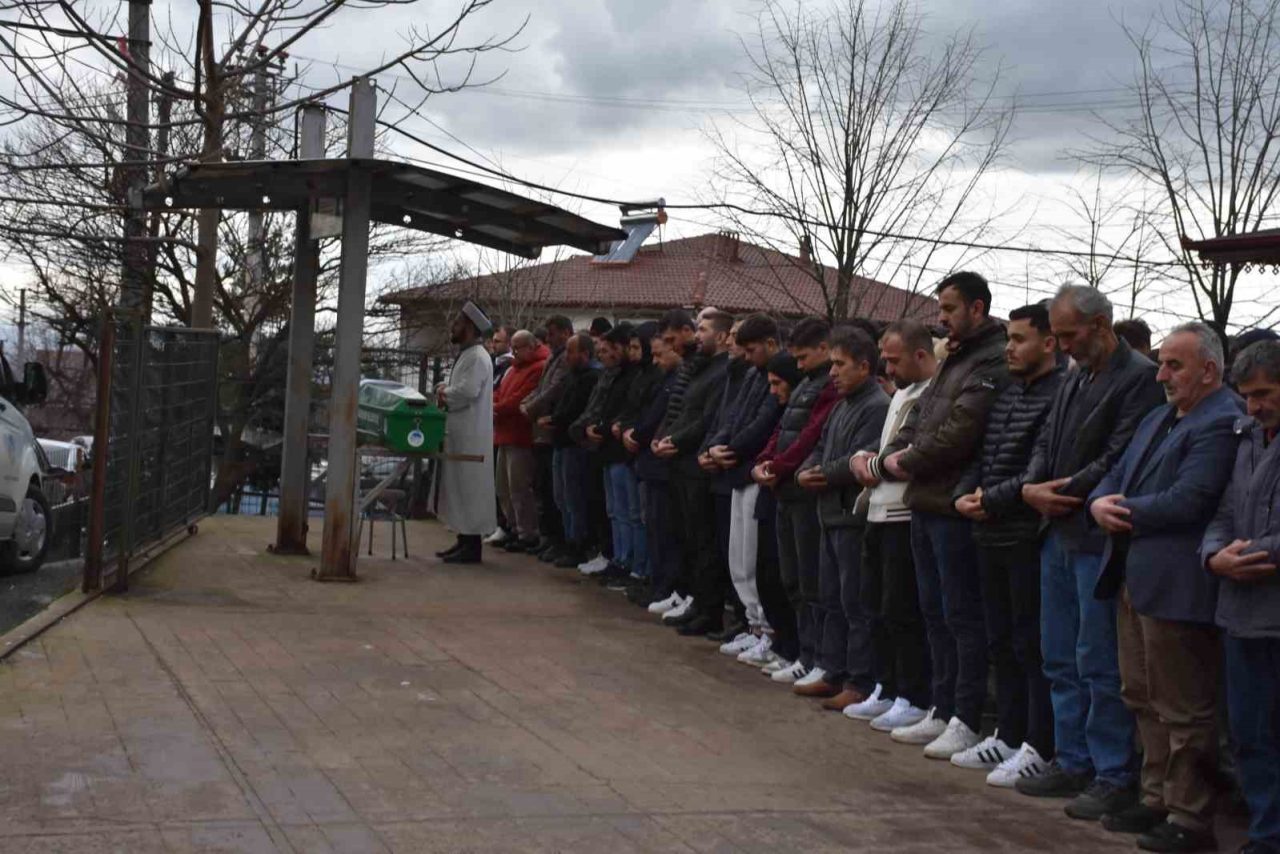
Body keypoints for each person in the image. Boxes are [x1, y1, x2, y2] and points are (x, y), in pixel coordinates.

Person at [1087, 321, 1241, 851]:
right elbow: (1117, 472)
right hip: (1134, 576)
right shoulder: (1159, 417)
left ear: (1210, 370)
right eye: (1161, 362)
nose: (1161, 375)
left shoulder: (1223, 421)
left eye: (1175, 365)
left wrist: (1120, 510)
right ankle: (1155, 797)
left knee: (1183, 707)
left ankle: (1189, 815)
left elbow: (1191, 499)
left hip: (1179, 587)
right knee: (1140, 695)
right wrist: (1098, 501)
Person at [1016, 285, 1164, 822]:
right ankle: (1072, 757)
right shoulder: (1076, 376)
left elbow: (1119, 455)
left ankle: (1111, 772)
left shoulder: (1140, 379)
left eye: (1069, 335)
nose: (1063, 346)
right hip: (1057, 532)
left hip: (1096, 538)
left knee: (1098, 660)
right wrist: (1033, 487)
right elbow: (1046, 441)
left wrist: (1062, 492)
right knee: (1059, 656)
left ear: (1101, 326)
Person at [861, 271, 1010, 760]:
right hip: (925, 500)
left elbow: (960, 431)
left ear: (977, 308)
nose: (941, 318)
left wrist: (904, 461)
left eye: (949, 309)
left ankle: (965, 716)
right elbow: (921, 420)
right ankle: (941, 708)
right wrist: (891, 456)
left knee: (961, 617)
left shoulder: (990, 360)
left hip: (952, 504)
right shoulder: (955, 358)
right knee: (934, 614)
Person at [951, 302, 1066, 786]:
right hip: (988, 530)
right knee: (1000, 640)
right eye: (1009, 339)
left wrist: (990, 499)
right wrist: (964, 495)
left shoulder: (1059, 394)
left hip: (1023, 534)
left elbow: (1039, 467)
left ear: (1049, 342)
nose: (1010, 349)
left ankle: (1038, 743)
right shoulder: (1009, 392)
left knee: (1029, 644)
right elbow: (984, 454)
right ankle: (1008, 733)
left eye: (1019, 339)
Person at [1201, 339, 1280, 854]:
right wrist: (1214, 556)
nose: (1253, 406)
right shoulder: (1247, 437)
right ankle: (1265, 836)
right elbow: (1225, 513)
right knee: (1250, 734)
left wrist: (1250, 555)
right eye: (1247, 395)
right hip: (1240, 614)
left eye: (1264, 393)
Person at [848, 319, 937, 733]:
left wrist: (873, 465)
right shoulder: (901, 392)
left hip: (904, 513)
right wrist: (864, 457)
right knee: (877, 608)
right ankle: (885, 687)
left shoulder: (932, 393)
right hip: (877, 509)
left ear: (921, 355)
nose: (888, 368)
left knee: (903, 612)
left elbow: (907, 455)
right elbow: (888, 448)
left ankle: (912, 696)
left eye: (894, 360)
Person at [794, 326, 890, 709]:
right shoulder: (841, 405)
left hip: (852, 517)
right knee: (831, 599)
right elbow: (821, 448)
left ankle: (859, 679)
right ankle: (832, 670)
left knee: (856, 603)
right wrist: (806, 469)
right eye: (832, 364)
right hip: (829, 514)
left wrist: (822, 474)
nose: (832, 372)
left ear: (864, 366)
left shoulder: (877, 406)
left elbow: (859, 459)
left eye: (840, 364)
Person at [752, 317, 839, 684]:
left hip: (802, 494)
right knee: (792, 579)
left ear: (824, 348)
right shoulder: (806, 383)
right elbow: (782, 429)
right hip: (784, 490)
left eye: (803, 357)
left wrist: (779, 466)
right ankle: (802, 652)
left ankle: (813, 655)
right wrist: (764, 460)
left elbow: (810, 437)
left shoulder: (828, 388)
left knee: (809, 582)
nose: (799, 365)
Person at [707, 314, 788, 664]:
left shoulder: (779, 374)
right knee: (737, 556)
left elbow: (763, 423)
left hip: (753, 471)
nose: (747, 355)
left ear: (770, 343)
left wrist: (732, 449)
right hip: (736, 471)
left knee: (754, 558)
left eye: (752, 349)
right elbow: (734, 416)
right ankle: (753, 624)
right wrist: (717, 446)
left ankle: (767, 629)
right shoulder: (753, 374)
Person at [654, 310, 733, 637]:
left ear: (722, 336)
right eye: (697, 329)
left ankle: (710, 610)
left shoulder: (722, 371)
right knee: (689, 539)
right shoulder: (702, 367)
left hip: (697, 465)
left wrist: (676, 441)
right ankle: (698, 603)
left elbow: (706, 419)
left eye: (703, 329)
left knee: (704, 543)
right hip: (681, 463)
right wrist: (664, 437)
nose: (697, 335)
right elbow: (682, 410)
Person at [434, 301, 498, 564]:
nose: (454, 326)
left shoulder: (477, 357)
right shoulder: (469, 354)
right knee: (460, 489)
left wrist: (444, 393)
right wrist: (445, 388)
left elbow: (467, 391)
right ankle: (463, 540)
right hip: (461, 432)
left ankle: (472, 546)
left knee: (470, 490)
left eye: (459, 322)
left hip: (471, 435)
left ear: (470, 328)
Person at [577, 323, 640, 586]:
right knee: (615, 512)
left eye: (609, 349)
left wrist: (603, 427)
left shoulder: (632, 376)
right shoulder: (613, 375)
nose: (604, 355)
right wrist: (588, 427)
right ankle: (619, 558)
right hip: (608, 450)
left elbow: (623, 411)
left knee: (629, 514)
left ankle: (630, 563)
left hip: (622, 452)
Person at [630, 328, 685, 613]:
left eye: (660, 354)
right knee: (652, 527)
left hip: (664, 466)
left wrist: (640, 435)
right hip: (651, 462)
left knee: (665, 531)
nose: (655, 361)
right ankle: (658, 582)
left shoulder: (678, 380)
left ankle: (667, 585)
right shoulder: (662, 378)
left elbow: (663, 417)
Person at [614, 322, 663, 603]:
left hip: (646, 452)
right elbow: (630, 407)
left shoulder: (657, 377)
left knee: (641, 517)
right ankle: (633, 565)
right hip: (632, 451)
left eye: (636, 347)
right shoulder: (638, 375)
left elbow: (651, 413)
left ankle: (644, 570)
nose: (633, 353)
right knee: (629, 513)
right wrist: (623, 426)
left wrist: (635, 432)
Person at [540, 333, 599, 568]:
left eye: (571, 351)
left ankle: (578, 544)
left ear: (584, 353)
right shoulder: (571, 376)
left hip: (575, 445)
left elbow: (576, 409)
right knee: (561, 497)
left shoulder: (591, 377)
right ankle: (566, 539)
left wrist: (554, 419)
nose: (567, 356)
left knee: (574, 498)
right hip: (561, 442)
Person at [522, 316, 575, 562]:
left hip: (551, 431)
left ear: (566, 333)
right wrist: (527, 402)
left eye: (553, 334)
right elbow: (541, 387)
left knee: (554, 492)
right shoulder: (553, 358)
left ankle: (558, 539)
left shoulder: (564, 360)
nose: (549, 339)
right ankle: (549, 538)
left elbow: (554, 390)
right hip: (540, 431)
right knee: (542, 488)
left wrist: (531, 408)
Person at [492, 330, 549, 554]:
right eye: (513, 347)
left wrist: (496, 407)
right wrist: (495, 404)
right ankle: (514, 527)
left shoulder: (537, 368)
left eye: (519, 347)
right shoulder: (513, 369)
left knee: (519, 487)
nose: (514, 352)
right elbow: (500, 393)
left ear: (531, 346)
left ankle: (527, 532)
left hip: (521, 435)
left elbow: (519, 400)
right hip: (505, 432)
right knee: (503, 486)